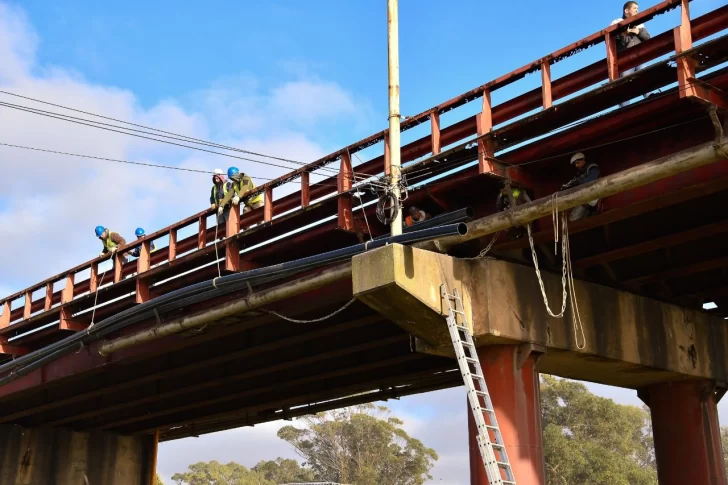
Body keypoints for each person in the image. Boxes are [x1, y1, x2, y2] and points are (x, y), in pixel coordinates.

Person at [611, 2, 651, 107]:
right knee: (625, 79)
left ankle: (650, 97)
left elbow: (648, 38)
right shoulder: (617, 22)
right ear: (626, 10)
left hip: (639, 56)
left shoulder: (640, 23)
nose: (637, 10)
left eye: (637, 8)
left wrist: (638, 31)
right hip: (625, 58)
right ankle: (625, 106)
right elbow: (615, 40)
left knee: (643, 74)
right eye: (634, 8)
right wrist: (625, 32)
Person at [561, 153, 601, 221]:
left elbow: (590, 181)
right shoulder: (580, 173)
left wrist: (577, 181)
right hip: (583, 199)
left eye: (578, 163)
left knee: (574, 218)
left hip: (594, 198)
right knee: (572, 218)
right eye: (575, 164)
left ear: (583, 159)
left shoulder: (593, 168)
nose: (577, 165)